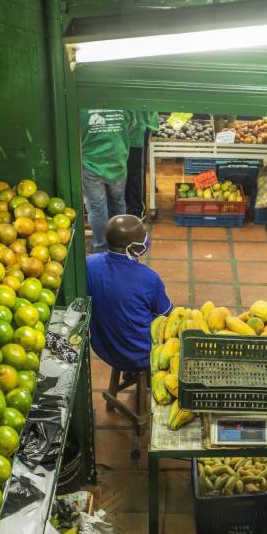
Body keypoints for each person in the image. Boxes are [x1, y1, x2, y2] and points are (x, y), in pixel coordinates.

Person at [86, 214, 172, 372]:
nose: (146, 239)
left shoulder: (89, 264)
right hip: (140, 355)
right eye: (142, 236)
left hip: (105, 348)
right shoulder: (149, 279)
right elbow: (166, 314)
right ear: (131, 247)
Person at [81, 108, 132, 253]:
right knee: (118, 203)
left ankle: (101, 249)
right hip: (117, 162)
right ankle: (120, 246)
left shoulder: (81, 107)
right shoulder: (122, 104)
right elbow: (132, 125)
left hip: (91, 164)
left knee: (97, 209)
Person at [125, 111, 159, 218]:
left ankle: (136, 210)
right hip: (117, 131)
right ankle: (124, 207)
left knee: (135, 172)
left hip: (136, 132)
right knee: (121, 171)